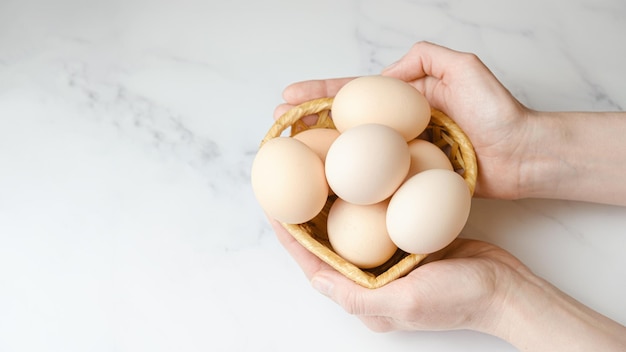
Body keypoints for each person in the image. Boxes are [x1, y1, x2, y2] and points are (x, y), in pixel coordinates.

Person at [270, 41, 626, 351]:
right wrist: (526, 150)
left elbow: (375, 163)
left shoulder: (399, 161)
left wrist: (499, 301)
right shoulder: (386, 163)